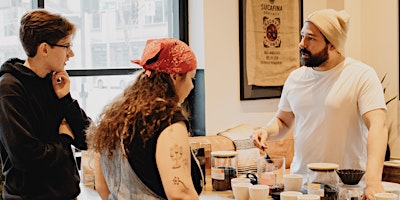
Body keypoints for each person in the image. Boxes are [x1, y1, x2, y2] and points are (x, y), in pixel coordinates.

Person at [252, 9, 387, 200]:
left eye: (310, 38)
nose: (301, 44)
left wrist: (374, 181)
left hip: (346, 188)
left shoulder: (361, 75)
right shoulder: (295, 78)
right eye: (302, 36)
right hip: (302, 188)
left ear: (332, 44)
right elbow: (283, 121)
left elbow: (378, 126)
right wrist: (266, 131)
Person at [86, 38, 203, 200]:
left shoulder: (113, 117)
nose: (192, 86)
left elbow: (101, 186)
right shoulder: (169, 122)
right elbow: (180, 194)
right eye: (191, 78)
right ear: (175, 76)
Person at [0, 9, 91, 199]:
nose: (71, 54)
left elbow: (87, 138)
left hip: (67, 194)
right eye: (66, 46)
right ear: (44, 49)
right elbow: (26, 157)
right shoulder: (9, 89)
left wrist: (66, 99)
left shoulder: (54, 82)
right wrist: (64, 140)